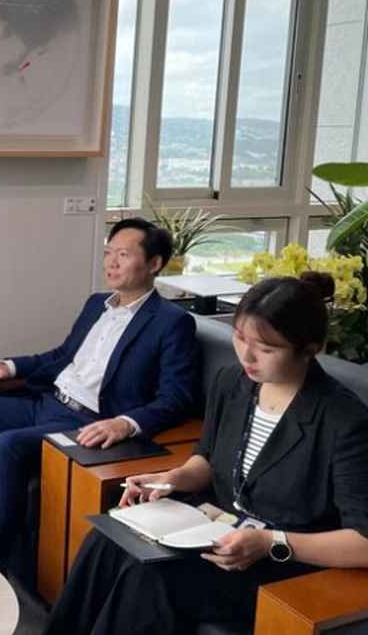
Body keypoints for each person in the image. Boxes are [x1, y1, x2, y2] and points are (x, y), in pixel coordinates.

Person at [46, 272, 368, 635]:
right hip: (218, 530)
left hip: (278, 560)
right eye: (240, 337)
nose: (247, 356)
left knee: (148, 577)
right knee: (106, 538)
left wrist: (270, 543)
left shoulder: (344, 420)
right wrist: (171, 479)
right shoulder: (232, 382)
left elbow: (363, 542)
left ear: (310, 349)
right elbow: (207, 458)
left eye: (266, 349)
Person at [0, 218, 199, 563]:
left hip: (86, 424)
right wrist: (10, 367)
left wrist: (125, 423)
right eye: (108, 252)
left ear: (154, 263)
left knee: (7, 445)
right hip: (47, 402)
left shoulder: (171, 322)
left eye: (124, 255)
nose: (111, 263)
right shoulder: (97, 304)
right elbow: (63, 356)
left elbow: (177, 397)